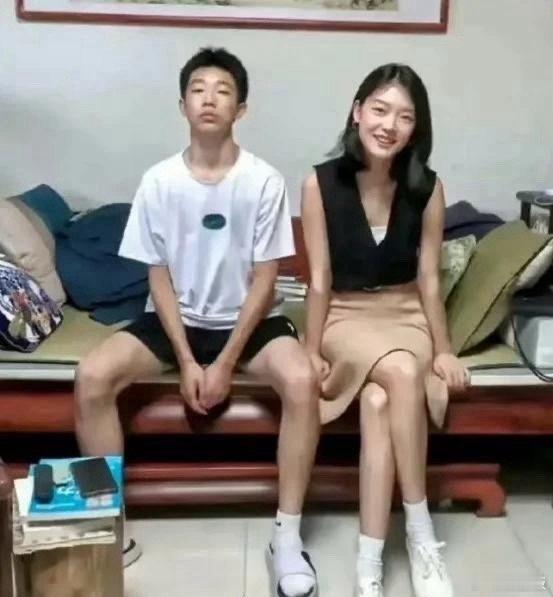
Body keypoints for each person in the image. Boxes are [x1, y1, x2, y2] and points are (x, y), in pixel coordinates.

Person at [74, 47, 320, 597]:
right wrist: (186, 359)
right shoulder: (159, 180)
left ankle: (287, 537)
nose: (209, 99)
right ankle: (109, 529)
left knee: (303, 380)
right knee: (91, 376)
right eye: (198, 89)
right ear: (182, 104)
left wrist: (225, 362)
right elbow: (157, 275)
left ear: (241, 109)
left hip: (248, 320)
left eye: (223, 90)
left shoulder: (263, 180)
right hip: (176, 321)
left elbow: (266, 278)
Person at [300, 63, 468, 597]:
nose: (389, 125)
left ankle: (369, 564)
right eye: (379, 109)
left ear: (416, 128)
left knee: (378, 403)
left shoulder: (428, 188)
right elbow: (319, 279)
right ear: (357, 112)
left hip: (405, 316)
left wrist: (444, 350)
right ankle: (420, 530)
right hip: (345, 317)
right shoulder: (319, 183)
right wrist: (311, 348)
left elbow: (429, 280)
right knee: (401, 372)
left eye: (404, 116)